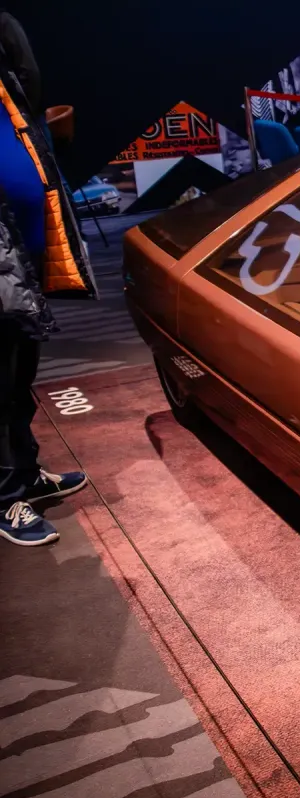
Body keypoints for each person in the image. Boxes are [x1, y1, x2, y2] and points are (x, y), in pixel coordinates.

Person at [0, 12, 87, 546]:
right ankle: (5, 497)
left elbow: (30, 75)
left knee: (19, 379)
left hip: (22, 265)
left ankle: (27, 475)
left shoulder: (9, 95)